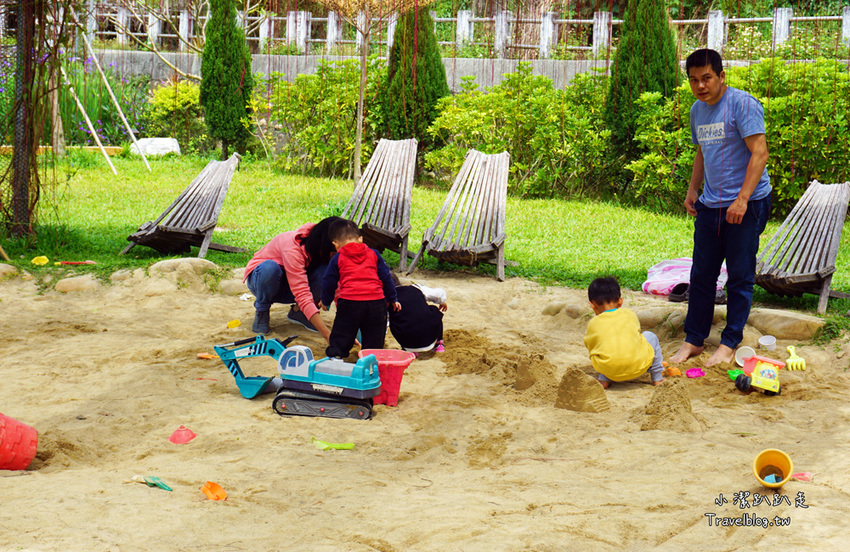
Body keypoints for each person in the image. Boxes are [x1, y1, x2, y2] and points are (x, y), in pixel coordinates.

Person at [670, 48, 772, 367]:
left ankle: (729, 343)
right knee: (701, 274)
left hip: (748, 202)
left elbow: (760, 153)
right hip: (711, 204)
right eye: (694, 80)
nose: (700, 86)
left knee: (740, 276)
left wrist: (742, 199)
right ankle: (694, 339)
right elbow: (702, 151)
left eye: (707, 78)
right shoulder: (697, 111)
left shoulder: (743, 104)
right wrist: (693, 189)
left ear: (721, 76)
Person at [243, 216, 342, 342]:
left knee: (326, 273)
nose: (335, 254)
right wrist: (327, 335)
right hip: (263, 282)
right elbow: (301, 293)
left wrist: (347, 322)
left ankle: (299, 313)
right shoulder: (292, 248)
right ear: (325, 245)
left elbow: (338, 286)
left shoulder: (325, 251)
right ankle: (262, 311)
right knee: (270, 268)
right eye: (333, 250)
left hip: (290, 286)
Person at [319, 219, 401, 359]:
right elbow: (386, 277)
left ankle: (337, 357)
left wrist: (326, 301)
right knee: (374, 335)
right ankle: (370, 359)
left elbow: (329, 281)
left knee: (343, 332)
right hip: (376, 303)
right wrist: (393, 298)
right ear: (361, 239)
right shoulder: (374, 254)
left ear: (336, 244)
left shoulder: (338, 258)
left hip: (350, 303)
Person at [584, 277, 664, 389]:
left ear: (592, 305)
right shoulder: (629, 314)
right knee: (650, 336)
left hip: (609, 371)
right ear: (620, 301)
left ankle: (604, 379)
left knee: (603, 349)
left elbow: (591, 346)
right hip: (637, 368)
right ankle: (657, 378)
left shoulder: (594, 323)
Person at [388, 273, 448, 354]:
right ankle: (439, 344)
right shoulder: (415, 288)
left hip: (407, 342)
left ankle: (408, 349)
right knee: (434, 309)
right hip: (430, 337)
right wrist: (442, 301)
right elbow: (438, 293)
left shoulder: (387, 300)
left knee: (395, 318)